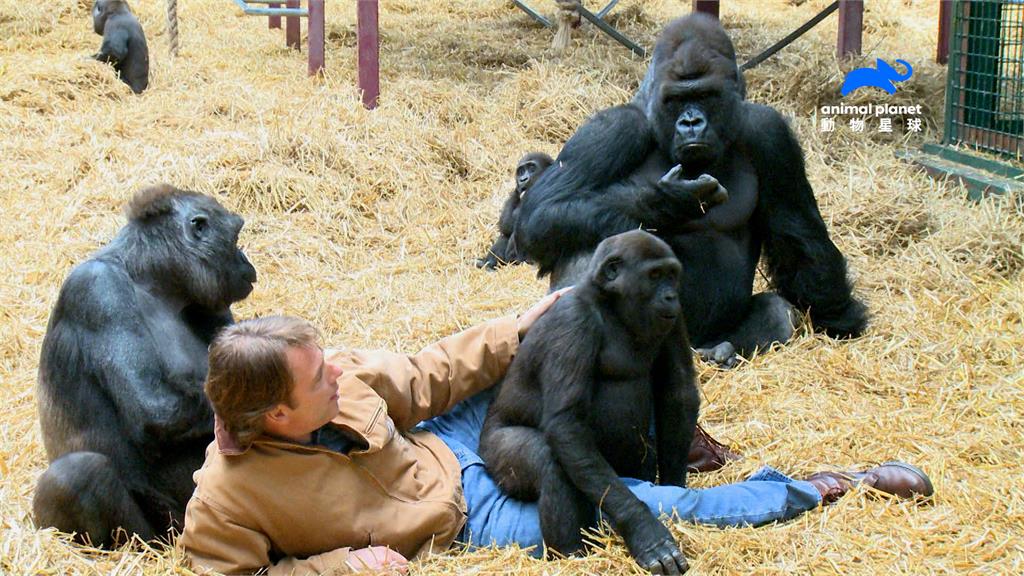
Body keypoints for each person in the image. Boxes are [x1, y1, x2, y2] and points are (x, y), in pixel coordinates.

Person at [178, 292, 934, 575]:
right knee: (637, 509)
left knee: (565, 334)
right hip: (462, 517)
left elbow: (433, 372)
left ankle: (669, 429)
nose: (336, 377)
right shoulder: (225, 498)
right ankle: (821, 487)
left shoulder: (337, 377)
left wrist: (524, 326)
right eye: (319, 382)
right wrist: (341, 567)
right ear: (277, 415)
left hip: (448, 440)